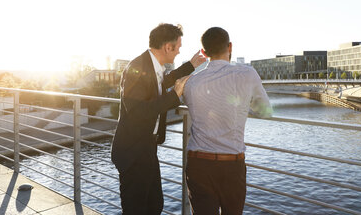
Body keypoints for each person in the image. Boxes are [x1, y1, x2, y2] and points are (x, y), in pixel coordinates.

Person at [111, 23, 206, 215]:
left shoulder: (153, 66)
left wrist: (191, 65)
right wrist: (175, 96)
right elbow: (138, 112)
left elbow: (164, 81)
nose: (178, 52)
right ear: (167, 47)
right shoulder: (136, 68)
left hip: (146, 149)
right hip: (133, 153)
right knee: (136, 209)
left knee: (154, 205)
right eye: (178, 47)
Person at [183, 27, 272, 214]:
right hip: (231, 165)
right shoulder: (247, 74)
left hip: (198, 164)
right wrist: (241, 109)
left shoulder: (191, 82)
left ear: (204, 53)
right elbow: (265, 112)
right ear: (230, 46)